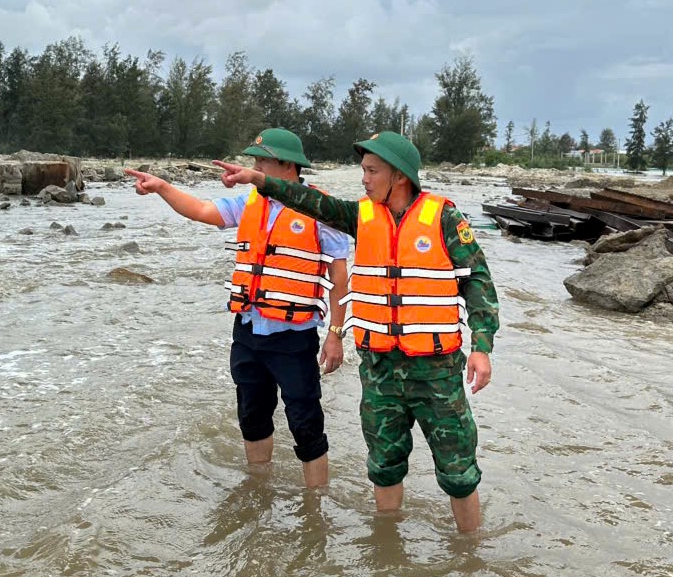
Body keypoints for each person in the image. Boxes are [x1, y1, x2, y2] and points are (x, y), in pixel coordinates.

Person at [212, 131, 499, 532]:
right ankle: (387, 545)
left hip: (436, 373)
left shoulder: (445, 219)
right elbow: (311, 201)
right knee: (383, 465)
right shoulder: (359, 217)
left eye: (372, 171)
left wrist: (481, 347)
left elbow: (479, 282)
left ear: (399, 176)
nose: (363, 178)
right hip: (380, 370)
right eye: (363, 170)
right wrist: (258, 179)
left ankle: (472, 553)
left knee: (458, 471)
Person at [124, 128, 351, 488]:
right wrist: (162, 187)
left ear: (288, 165)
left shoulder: (321, 209)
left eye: (261, 161)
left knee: (306, 423)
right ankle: (258, 489)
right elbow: (201, 210)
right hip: (247, 332)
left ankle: (315, 503)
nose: (255, 167)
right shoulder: (251, 202)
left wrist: (336, 335)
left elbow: (341, 279)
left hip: (293, 338)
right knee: (252, 416)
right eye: (254, 161)